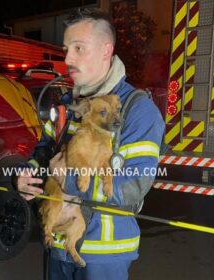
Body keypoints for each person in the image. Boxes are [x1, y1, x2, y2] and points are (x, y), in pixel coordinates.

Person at [17, 7, 165, 280]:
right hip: (59, 246)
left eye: (79, 48)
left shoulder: (137, 111)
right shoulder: (66, 105)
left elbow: (134, 186)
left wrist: (70, 180)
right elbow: (44, 150)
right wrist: (30, 175)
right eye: (66, 49)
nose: (68, 58)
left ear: (106, 51)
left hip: (103, 256)